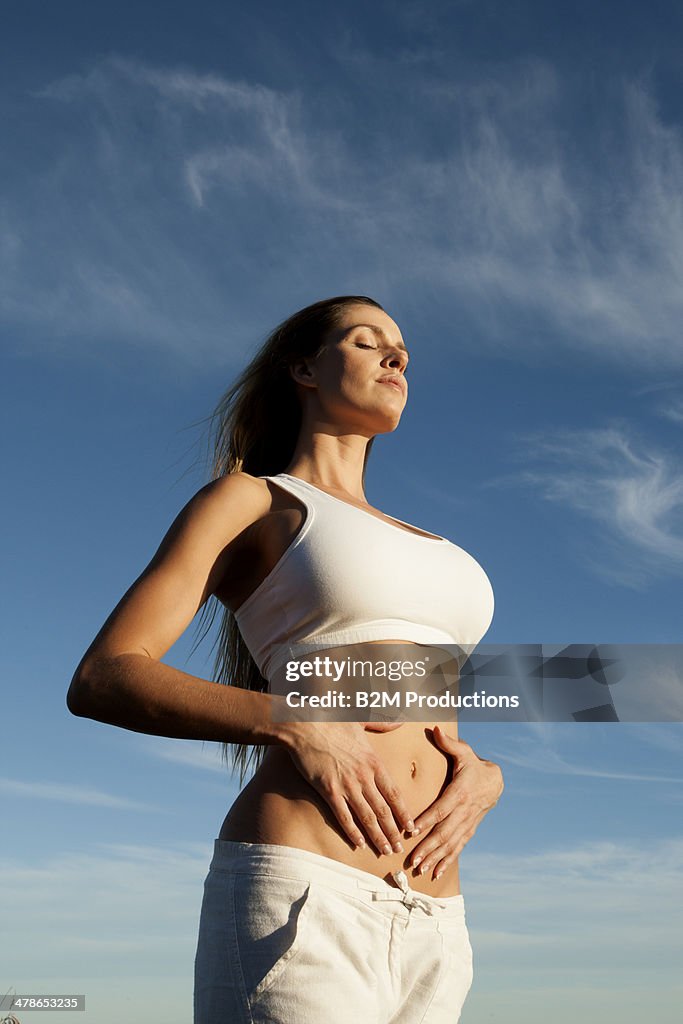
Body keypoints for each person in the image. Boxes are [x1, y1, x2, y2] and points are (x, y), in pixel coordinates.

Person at [67, 294, 503, 1024]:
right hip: (304, 891)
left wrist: (485, 776)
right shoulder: (255, 499)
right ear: (303, 367)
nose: (397, 358)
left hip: (434, 916)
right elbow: (107, 674)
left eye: (403, 351)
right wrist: (298, 724)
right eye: (368, 343)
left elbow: (428, 698)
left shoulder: (441, 547)